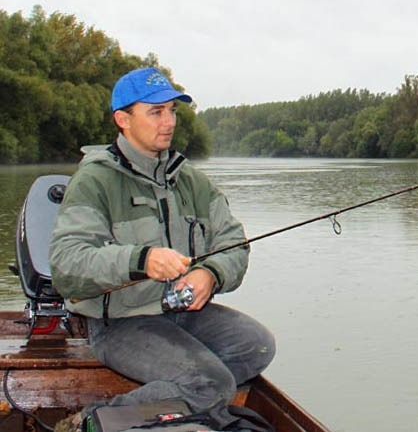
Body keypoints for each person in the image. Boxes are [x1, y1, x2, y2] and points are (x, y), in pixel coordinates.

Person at [49, 67, 275, 432]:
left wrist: (210, 274)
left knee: (257, 346)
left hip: (181, 311)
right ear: (123, 119)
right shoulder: (94, 181)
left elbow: (234, 243)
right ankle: (89, 422)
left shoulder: (189, 179)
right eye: (156, 112)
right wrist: (141, 260)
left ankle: (185, 405)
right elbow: (67, 264)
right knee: (212, 383)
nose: (168, 121)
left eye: (171, 110)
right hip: (120, 323)